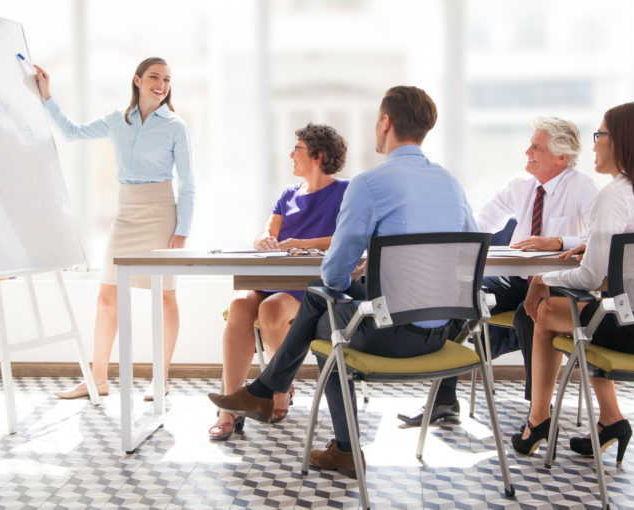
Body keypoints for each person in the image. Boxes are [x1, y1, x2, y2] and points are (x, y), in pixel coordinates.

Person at [209, 85, 476, 476]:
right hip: (442, 334)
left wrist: (356, 271)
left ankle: (290, 407)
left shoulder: (369, 184)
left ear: (385, 123)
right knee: (323, 304)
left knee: (324, 308)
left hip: (389, 335)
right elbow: (466, 259)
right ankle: (271, 395)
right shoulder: (451, 184)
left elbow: (334, 274)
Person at [511, 102, 634, 463]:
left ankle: (537, 421)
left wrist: (541, 278)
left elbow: (587, 277)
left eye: (600, 135)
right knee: (587, 319)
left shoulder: (614, 194)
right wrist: (600, 250)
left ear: (622, 141)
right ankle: (611, 420)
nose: (595, 144)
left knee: (545, 311)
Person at [399, 117, 598, 427]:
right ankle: (444, 401)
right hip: (517, 280)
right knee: (460, 297)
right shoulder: (520, 183)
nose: (527, 151)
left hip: (558, 284)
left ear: (561, 157)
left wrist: (559, 241)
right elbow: (482, 224)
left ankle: (539, 415)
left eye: (536, 147)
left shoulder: (582, 187)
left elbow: (600, 239)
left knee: (531, 314)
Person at [34, 57, 195, 401]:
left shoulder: (176, 126)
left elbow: (188, 184)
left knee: (165, 297)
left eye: (166, 79)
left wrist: (182, 231)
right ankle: (98, 379)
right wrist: (47, 96)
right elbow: (72, 133)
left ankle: (161, 379)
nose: (161, 84)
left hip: (161, 213)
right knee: (107, 297)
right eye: (154, 76)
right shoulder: (116, 120)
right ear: (137, 80)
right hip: (126, 213)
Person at [210, 123, 349, 441]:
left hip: (309, 285)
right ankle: (229, 408)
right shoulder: (288, 194)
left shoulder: (345, 191)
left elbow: (348, 237)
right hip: (271, 276)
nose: (291, 154)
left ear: (318, 155)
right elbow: (267, 231)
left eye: (297, 149)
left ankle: (278, 385)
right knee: (240, 305)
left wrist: (306, 242)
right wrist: (265, 241)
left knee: (271, 309)